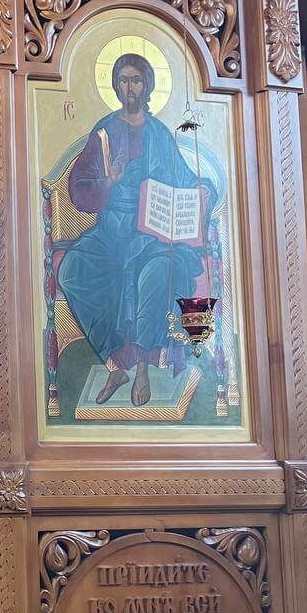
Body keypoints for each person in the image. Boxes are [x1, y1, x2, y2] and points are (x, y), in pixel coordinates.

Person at [58, 53, 215, 407]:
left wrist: (205, 190)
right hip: (112, 229)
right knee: (71, 270)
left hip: (152, 233)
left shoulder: (159, 134)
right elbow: (79, 187)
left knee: (153, 273)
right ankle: (114, 365)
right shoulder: (104, 131)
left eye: (136, 80)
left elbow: (183, 178)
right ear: (116, 86)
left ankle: (142, 367)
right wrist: (108, 183)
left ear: (147, 86)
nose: (130, 88)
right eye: (124, 81)